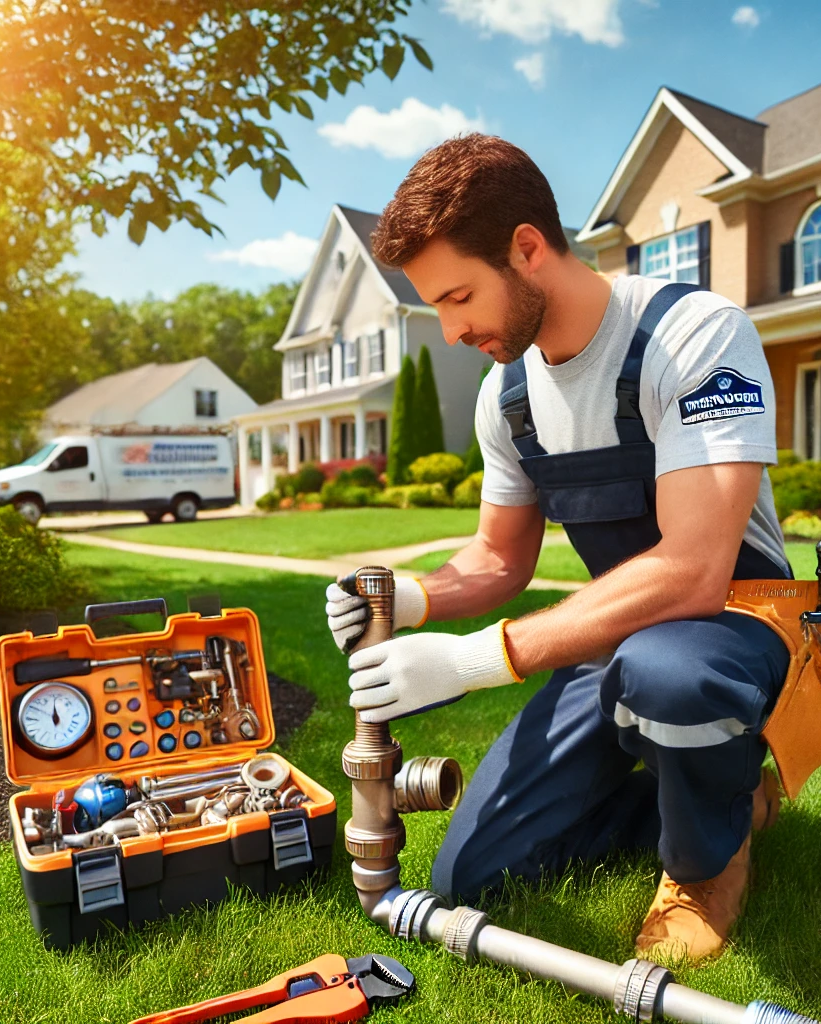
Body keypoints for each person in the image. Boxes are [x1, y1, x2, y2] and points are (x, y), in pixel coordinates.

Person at [325, 133, 792, 963]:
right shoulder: (507, 395)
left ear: (528, 249)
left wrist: (475, 660)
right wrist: (415, 598)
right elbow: (499, 559)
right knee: (475, 876)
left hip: (737, 621)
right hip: (617, 632)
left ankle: (705, 861)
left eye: (460, 295)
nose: (453, 327)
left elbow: (693, 568)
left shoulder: (694, 335)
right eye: (438, 305)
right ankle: (732, 795)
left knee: (669, 674)